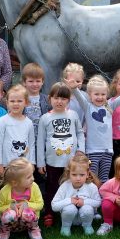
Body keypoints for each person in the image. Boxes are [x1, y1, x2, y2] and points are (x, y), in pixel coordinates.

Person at [66, 74, 120, 184]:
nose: (100, 97)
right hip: (92, 151)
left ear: (107, 95)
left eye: (103, 94)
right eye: (96, 94)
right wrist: (74, 88)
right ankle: (93, 199)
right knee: (91, 177)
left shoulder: (109, 106)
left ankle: (104, 199)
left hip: (107, 151)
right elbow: (79, 97)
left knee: (104, 178)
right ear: (90, 95)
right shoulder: (88, 107)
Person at [36, 82, 85, 227]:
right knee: (52, 187)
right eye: (56, 98)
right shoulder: (45, 118)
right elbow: (40, 141)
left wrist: (81, 150)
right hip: (52, 162)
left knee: (72, 186)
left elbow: (80, 133)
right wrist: (40, 162)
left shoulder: (73, 115)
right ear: (49, 98)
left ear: (68, 100)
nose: (59, 101)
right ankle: (50, 212)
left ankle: (72, 210)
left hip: (71, 162)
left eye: (63, 99)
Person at [0, 158, 43, 239]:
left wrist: (27, 205)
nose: (33, 179)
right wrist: (10, 207)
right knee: (9, 214)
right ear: (15, 182)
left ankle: (33, 230)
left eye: (32, 175)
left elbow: (40, 204)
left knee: (28, 212)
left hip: (27, 222)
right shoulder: (5, 191)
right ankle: (4, 232)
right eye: (28, 177)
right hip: (11, 223)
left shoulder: (34, 187)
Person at [51, 153, 102, 236]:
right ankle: (65, 227)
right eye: (74, 174)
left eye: (82, 175)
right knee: (69, 208)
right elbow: (54, 206)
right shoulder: (65, 186)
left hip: (86, 217)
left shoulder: (91, 186)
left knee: (87, 208)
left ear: (87, 173)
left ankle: (87, 226)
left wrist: (84, 202)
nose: (78, 178)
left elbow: (98, 202)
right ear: (68, 173)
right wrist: (69, 200)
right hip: (69, 217)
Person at [0, 85, 36, 178]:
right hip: (7, 165)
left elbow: (31, 144)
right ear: (7, 103)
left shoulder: (29, 122)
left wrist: (32, 162)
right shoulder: (3, 121)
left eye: (19, 101)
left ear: (26, 102)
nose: (16, 104)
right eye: (12, 101)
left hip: (24, 165)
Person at [21, 62, 51, 135]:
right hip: (25, 136)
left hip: (41, 136)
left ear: (42, 82)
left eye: (38, 81)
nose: (35, 84)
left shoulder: (47, 99)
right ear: (24, 82)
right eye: (31, 81)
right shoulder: (20, 99)